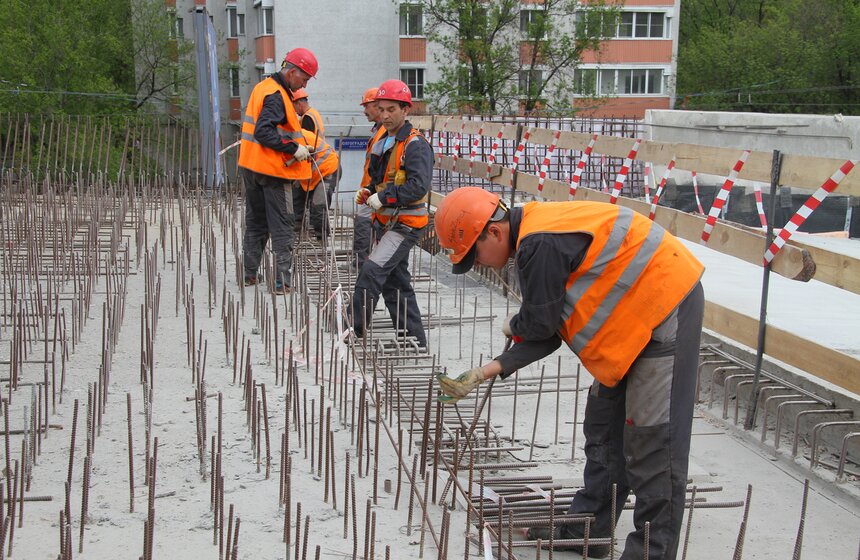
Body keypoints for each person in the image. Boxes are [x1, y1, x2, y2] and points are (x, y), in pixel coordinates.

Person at [434, 187, 705, 560]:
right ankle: (587, 529)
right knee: (604, 424)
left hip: (663, 305)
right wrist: (483, 372)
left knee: (652, 441)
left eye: (474, 254)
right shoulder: (534, 236)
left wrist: (518, 323)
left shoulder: (538, 244)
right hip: (630, 321)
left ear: (494, 232)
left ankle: (650, 553)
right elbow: (547, 334)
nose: (477, 264)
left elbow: (541, 326)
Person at [351, 79, 430, 348]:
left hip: (406, 224)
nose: (385, 115)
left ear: (406, 109)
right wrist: (368, 191)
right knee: (396, 282)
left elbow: (418, 186)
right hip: (388, 222)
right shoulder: (384, 141)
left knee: (371, 272)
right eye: (381, 109)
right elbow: (379, 179)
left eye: (391, 109)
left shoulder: (415, 145)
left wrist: (382, 197)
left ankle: (353, 330)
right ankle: (413, 340)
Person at [238, 47, 319, 294]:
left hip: (251, 167)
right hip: (273, 171)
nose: (303, 85)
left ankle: (249, 275)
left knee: (256, 223)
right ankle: (283, 282)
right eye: (304, 79)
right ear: (293, 72)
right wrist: (293, 148)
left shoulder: (263, 88)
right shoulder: (276, 95)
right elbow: (264, 131)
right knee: (283, 226)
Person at [353, 87, 386, 269]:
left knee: (365, 223)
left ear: (376, 105)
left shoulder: (383, 132)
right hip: (371, 187)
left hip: (374, 189)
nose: (364, 111)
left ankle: (361, 261)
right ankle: (365, 260)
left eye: (367, 106)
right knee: (370, 223)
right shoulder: (378, 130)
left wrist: (372, 188)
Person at [293, 126, 340, 240]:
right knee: (295, 202)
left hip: (327, 169)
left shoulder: (297, 136)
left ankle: (321, 239)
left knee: (318, 206)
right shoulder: (283, 136)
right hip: (307, 174)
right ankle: (296, 234)